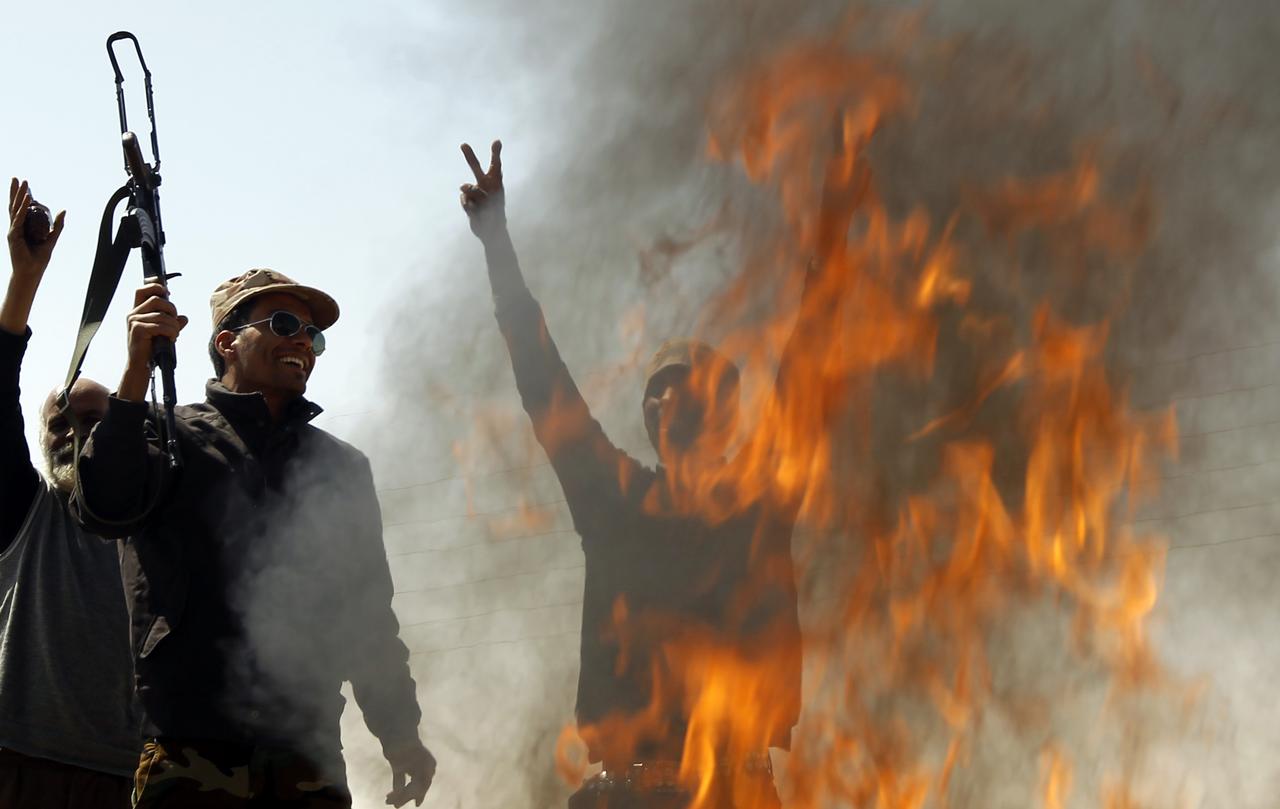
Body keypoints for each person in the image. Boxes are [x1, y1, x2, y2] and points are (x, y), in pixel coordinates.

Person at [460, 141, 825, 809]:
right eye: (658, 391)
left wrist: (829, 243)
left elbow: (811, 375)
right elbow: (545, 382)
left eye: (692, 389)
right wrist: (496, 242)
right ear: (649, 415)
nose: (671, 400)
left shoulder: (762, 500)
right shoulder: (614, 498)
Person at [70, 267, 437, 808]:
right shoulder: (162, 432)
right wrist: (135, 372)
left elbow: (367, 617)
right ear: (227, 342)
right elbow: (101, 507)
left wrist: (400, 732)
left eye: (313, 335)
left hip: (305, 752)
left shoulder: (339, 467)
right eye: (284, 324)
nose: (302, 343)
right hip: (190, 749)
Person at [0, 178, 138, 807]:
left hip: (130, 774)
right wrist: (24, 281)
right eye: (60, 422)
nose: (74, 436)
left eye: (93, 422)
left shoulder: (154, 519)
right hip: (21, 763)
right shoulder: (23, 511)